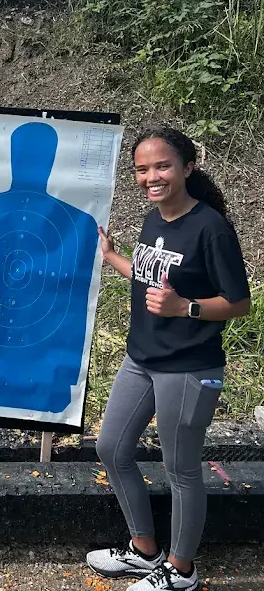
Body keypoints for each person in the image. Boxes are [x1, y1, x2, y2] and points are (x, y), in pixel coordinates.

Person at [86, 127, 250, 591]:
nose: (151, 176)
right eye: (142, 169)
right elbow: (149, 272)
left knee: (181, 469)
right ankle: (143, 550)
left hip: (190, 366)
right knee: (111, 449)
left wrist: (187, 308)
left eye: (162, 166)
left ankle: (181, 570)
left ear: (187, 168)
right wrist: (113, 256)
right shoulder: (152, 220)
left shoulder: (211, 228)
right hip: (142, 359)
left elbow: (239, 304)